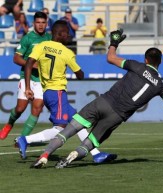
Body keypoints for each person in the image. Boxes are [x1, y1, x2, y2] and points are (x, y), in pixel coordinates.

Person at [30, 28, 163, 169]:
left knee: (70, 129)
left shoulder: (136, 66)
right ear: (160, 62)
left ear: (146, 59)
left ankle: (44, 156)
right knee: (90, 143)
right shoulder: (160, 86)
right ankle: (72, 157)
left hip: (102, 102)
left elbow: (110, 58)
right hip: (116, 116)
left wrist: (114, 42)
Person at [17, 20, 117, 164]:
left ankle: (96, 154)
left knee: (78, 121)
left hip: (48, 93)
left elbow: (28, 64)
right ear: (60, 33)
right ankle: (25, 139)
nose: (69, 35)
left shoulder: (42, 46)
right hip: (57, 93)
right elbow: (80, 75)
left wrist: (27, 87)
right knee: (60, 129)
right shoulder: (66, 52)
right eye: (67, 32)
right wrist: (78, 71)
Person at [0, 11, 51, 140]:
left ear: (46, 23)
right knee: (20, 108)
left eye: (43, 23)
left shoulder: (50, 39)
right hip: (27, 76)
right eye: (38, 22)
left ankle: (22, 139)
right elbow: (16, 58)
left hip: (42, 80)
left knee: (37, 108)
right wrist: (31, 64)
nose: (40, 25)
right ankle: (9, 124)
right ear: (33, 23)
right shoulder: (27, 38)